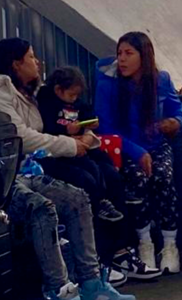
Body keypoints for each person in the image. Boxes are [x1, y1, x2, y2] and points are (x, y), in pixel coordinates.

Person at [0, 38, 137, 300]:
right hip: (5, 177)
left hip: (30, 169)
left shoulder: (24, 90)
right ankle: (63, 297)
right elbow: (20, 135)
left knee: (78, 199)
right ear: (15, 63)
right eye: (31, 57)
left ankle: (92, 283)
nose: (38, 62)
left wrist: (81, 140)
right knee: (44, 209)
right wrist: (70, 145)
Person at [95, 31, 182, 275]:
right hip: (125, 149)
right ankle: (144, 242)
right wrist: (136, 152)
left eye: (128, 53)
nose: (122, 60)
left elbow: (180, 113)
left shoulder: (161, 80)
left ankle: (169, 245)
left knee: (164, 178)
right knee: (137, 179)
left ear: (143, 57)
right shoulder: (107, 84)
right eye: (119, 53)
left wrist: (174, 123)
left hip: (157, 145)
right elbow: (105, 128)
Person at [36, 66, 125, 222]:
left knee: (102, 157)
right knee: (90, 168)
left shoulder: (77, 103)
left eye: (77, 95)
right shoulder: (47, 102)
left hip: (81, 142)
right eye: (71, 95)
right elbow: (47, 127)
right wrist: (65, 129)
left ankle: (119, 193)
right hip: (63, 148)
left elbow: (87, 112)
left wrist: (90, 124)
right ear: (58, 90)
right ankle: (99, 201)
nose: (74, 98)